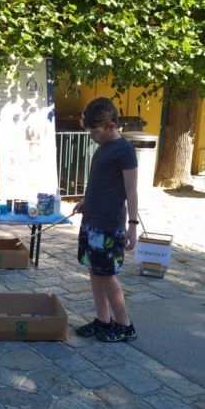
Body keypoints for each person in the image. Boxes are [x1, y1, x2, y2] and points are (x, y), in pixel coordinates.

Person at [73, 97, 138, 342]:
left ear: (111, 126)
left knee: (107, 275)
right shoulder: (103, 148)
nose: (92, 136)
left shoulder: (124, 151)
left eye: (95, 131)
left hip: (109, 225)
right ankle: (103, 319)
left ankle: (124, 325)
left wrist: (132, 227)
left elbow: (131, 190)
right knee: (94, 270)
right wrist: (86, 201)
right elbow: (101, 183)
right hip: (92, 221)